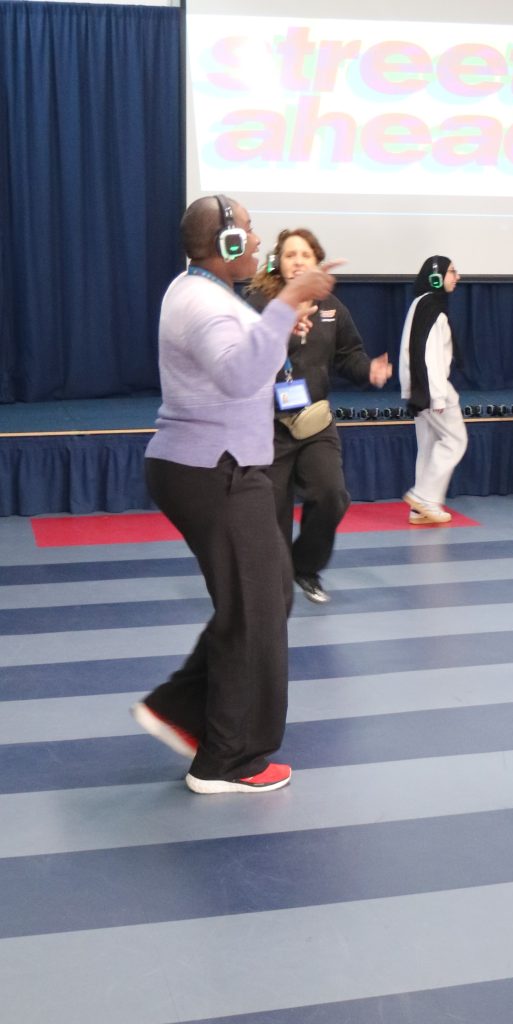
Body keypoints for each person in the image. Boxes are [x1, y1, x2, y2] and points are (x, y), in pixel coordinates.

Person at [131, 195, 337, 794]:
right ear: (223, 243)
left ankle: (182, 709)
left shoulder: (204, 292)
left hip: (217, 466)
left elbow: (245, 361)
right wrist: (289, 301)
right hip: (214, 469)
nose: (256, 240)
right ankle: (227, 761)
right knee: (257, 609)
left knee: (263, 598)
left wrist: (278, 326)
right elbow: (239, 374)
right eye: (247, 230)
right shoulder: (202, 301)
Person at [245, 228, 391, 605]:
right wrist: (285, 324)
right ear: (277, 262)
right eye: (290, 255)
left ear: (316, 262)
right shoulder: (259, 303)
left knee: (331, 496)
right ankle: (273, 583)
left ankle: (305, 567)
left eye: (305, 255)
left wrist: (369, 370)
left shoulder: (332, 307)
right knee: (271, 514)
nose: (297, 261)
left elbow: (349, 355)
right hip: (267, 427)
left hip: (315, 422)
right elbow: (246, 354)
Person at [400, 255, 467, 524]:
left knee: (428, 446)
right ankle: (424, 497)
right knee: (455, 440)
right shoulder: (433, 309)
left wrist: (414, 390)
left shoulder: (420, 303)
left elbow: (412, 352)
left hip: (419, 388)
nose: (457, 277)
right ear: (436, 277)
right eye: (452, 271)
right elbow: (430, 356)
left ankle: (421, 509)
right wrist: (437, 396)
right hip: (432, 390)